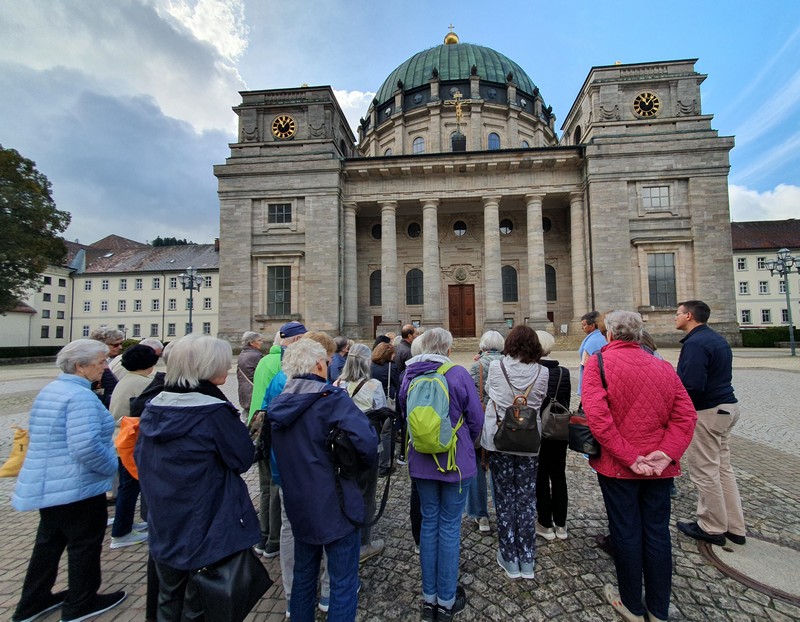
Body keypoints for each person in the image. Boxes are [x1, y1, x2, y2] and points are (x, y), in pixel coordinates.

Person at [136, 334, 260, 621]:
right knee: (201, 602)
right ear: (204, 368)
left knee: (168, 596)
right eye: (221, 363)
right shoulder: (212, 412)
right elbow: (241, 458)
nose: (227, 368)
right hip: (207, 520)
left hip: (165, 518)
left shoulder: (153, 406)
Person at [582, 310, 696, 622]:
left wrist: (630, 457)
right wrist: (666, 453)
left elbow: (599, 421)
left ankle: (632, 606)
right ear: (638, 335)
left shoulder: (599, 363)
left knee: (626, 532)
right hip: (660, 469)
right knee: (657, 532)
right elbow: (686, 416)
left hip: (620, 468)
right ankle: (658, 611)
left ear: (610, 335)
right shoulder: (662, 365)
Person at [12, 339, 126, 622]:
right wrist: (111, 467)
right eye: (100, 363)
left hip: (49, 483)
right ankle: (81, 602)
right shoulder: (80, 397)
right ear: (81, 366)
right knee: (84, 544)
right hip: (76, 485)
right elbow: (85, 445)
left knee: (48, 543)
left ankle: (32, 602)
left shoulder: (52, 389)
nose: (104, 367)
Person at [269, 338, 378, 622]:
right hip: (335, 501)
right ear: (319, 364)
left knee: (304, 575)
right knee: (343, 581)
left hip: (298, 503)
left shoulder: (279, 404)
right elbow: (367, 443)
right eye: (326, 363)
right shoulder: (330, 399)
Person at [398, 328, 484, 622]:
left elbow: (404, 416)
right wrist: (461, 444)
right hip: (455, 465)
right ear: (447, 349)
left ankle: (428, 599)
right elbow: (476, 420)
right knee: (449, 528)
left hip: (421, 463)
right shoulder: (458, 374)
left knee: (428, 525)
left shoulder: (408, 376)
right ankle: (446, 601)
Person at [479, 325, 549, 582]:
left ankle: (509, 557)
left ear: (509, 344)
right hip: (530, 442)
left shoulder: (496, 367)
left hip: (501, 440)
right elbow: (539, 399)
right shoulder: (543, 371)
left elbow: (489, 393)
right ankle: (527, 560)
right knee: (527, 498)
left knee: (504, 497)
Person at [674, 300, 747, 547]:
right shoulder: (715, 338)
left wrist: (676, 411)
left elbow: (691, 384)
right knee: (723, 469)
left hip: (708, 411)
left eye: (679, 314)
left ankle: (712, 526)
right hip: (726, 408)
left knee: (704, 470)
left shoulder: (695, 343)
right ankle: (735, 527)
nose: (676, 317)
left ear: (690, 316)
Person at [250, 322, 307, 558]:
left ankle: (262, 536)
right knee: (276, 489)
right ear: (294, 341)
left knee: (265, 488)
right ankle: (273, 540)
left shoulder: (265, 360)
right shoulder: (285, 366)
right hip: (274, 433)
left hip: (258, 428)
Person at [334, 343, 387, 563]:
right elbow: (383, 414)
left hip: (342, 448)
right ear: (366, 363)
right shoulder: (374, 384)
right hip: (366, 447)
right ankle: (364, 543)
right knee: (367, 492)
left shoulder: (337, 384)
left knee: (344, 488)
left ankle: (342, 535)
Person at [108, 344, 159, 549]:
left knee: (128, 487)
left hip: (121, 440)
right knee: (129, 488)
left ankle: (126, 524)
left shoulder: (127, 379)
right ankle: (120, 532)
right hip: (131, 442)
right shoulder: (143, 384)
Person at [534, 330, 572, 541]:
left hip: (539, 431)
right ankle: (561, 525)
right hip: (559, 430)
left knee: (540, 476)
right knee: (559, 476)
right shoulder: (564, 372)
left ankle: (545, 524)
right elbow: (565, 401)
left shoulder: (533, 371)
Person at [467, 330, 505, 533]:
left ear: (482, 346)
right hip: (503, 425)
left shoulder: (476, 366)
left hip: (481, 423)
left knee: (478, 468)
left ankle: (481, 515)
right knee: (500, 467)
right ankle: (502, 510)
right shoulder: (509, 364)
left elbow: (471, 399)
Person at [370, 341, 399, 476]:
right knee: (386, 435)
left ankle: (373, 463)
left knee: (374, 433)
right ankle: (383, 466)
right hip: (387, 404)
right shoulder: (391, 367)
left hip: (372, 404)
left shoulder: (370, 366)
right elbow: (397, 383)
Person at [89, 327, 125, 408]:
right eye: (116, 345)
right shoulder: (90, 365)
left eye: (121, 343)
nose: (120, 347)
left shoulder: (103, 362)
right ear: (101, 345)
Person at [577, 311, 606, 397]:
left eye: (584, 325)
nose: (582, 328)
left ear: (592, 326)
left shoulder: (592, 341)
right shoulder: (605, 336)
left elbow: (586, 366)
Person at [237, 331, 264, 413]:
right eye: (259, 340)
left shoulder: (242, 354)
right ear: (252, 343)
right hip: (253, 391)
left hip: (244, 390)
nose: (261, 342)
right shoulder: (256, 355)